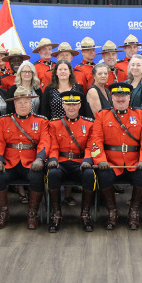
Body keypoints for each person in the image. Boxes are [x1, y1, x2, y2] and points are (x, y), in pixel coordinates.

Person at [91, 82, 142, 230]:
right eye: (117, 96)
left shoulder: (140, 114)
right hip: (111, 163)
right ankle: (112, 212)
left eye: (124, 95)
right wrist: (100, 160)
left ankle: (134, 212)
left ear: (129, 97)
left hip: (134, 162)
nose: (120, 99)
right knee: (103, 175)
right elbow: (96, 141)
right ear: (111, 97)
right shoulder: (102, 115)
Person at [0, 87, 49, 230]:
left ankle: (32, 214)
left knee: (37, 177)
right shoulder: (4, 121)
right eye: (19, 102)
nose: (23, 105)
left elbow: (44, 141)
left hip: (30, 162)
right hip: (10, 162)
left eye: (26, 102)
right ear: (14, 104)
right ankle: (4, 213)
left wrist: (40, 159)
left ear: (31, 104)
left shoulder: (41, 121)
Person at [46, 90, 96, 232]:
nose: (71, 107)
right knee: (53, 173)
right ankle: (56, 214)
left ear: (80, 105)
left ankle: (85, 214)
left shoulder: (89, 124)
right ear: (63, 105)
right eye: (68, 104)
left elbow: (91, 145)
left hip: (80, 161)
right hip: (61, 161)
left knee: (89, 174)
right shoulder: (54, 124)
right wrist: (53, 159)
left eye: (74, 104)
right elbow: (53, 145)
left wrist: (87, 159)